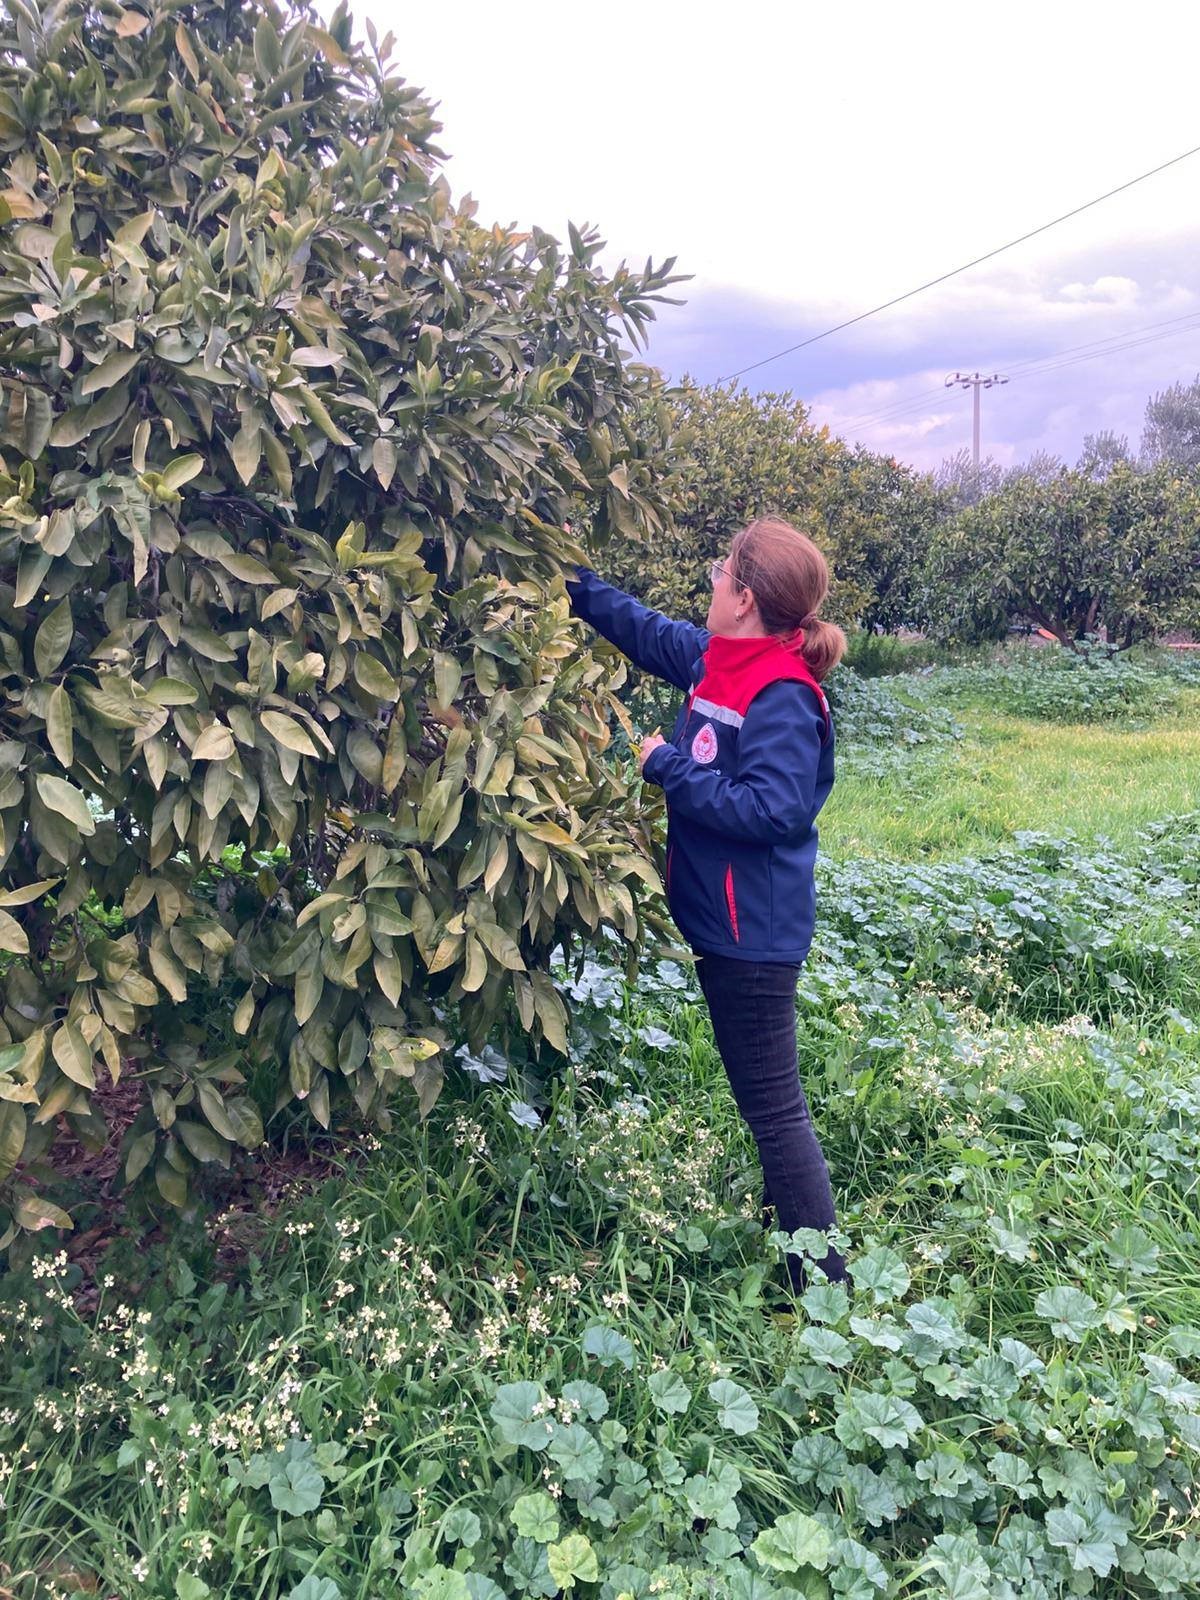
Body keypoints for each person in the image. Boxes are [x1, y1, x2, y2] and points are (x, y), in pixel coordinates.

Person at [567, 516, 849, 1291]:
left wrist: (667, 767)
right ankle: (794, 1237)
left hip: (751, 936)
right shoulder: (718, 657)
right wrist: (576, 586)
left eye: (724, 571)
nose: (713, 580)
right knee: (765, 1101)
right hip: (724, 923)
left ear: (748, 598)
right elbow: (646, 631)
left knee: (775, 1108)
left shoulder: (784, 694)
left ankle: (825, 1290)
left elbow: (774, 810)